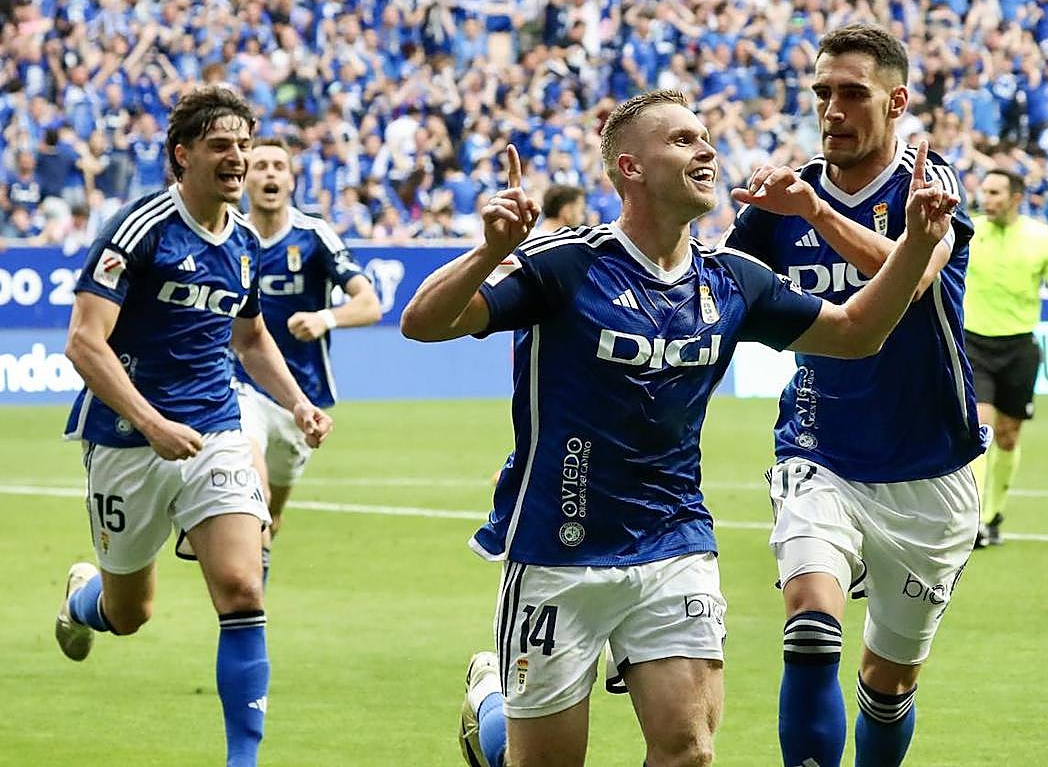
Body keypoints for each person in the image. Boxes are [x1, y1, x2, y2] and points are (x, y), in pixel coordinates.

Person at [400, 88, 957, 767]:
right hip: (557, 546)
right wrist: (489, 251)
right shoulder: (568, 265)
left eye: (707, 138)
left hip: (675, 542)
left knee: (689, 751)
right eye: (683, 140)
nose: (707, 151)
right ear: (631, 167)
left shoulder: (733, 281)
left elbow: (857, 332)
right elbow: (423, 323)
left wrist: (915, 246)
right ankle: (490, 707)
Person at [722, 24, 986, 767]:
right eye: (822, 93)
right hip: (819, 450)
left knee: (887, 681)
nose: (832, 110)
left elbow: (911, 277)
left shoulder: (928, 184)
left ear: (896, 102)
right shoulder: (785, 199)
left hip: (930, 468)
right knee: (810, 628)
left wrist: (814, 213)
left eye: (852, 94)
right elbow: (713, 295)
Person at [53, 86, 333, 767]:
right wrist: (150, 422)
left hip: (215, 430)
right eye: (222, 145)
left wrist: (297, 402)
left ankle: (243, 760)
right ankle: (84, 600)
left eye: (244, 145)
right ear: (183, 155)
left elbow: (250, 337)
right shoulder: (141, 228)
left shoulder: (244, 242)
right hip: (128, 440)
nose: (238, 158)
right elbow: (84, 342)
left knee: (242, 586)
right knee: (130, 613)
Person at [234, 137, 381, 579]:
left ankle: (255, 566)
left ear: (291, 180)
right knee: (252, 496)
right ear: (245, 179)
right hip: (239, 385)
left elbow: (370, 304)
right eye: (260, 165)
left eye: (279, 166)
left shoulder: (314, 236)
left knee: (272, 514)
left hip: (301, 396)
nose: (270, 173)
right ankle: (248, 608)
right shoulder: (229, 236)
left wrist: (325, 318)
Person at [963, 168, 1048, 548]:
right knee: (980, 430)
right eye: (984, 190)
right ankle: (974, 518)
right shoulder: (968, 230)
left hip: (1019, 348)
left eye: (995, 192)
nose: (986, 198)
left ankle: (993, 515)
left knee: (1009, 437)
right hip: (973, 344)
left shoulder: (1042, 237)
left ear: (1016, 198)